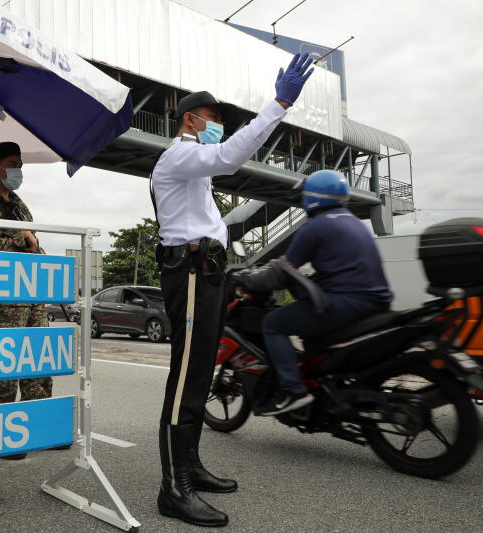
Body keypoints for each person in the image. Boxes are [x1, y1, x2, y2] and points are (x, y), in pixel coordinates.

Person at [151, 52, 315, 527]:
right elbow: (229, 155)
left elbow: (207, 215)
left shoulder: (193, 170)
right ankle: (172, 489)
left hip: (208, 275)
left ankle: (191, 467)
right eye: (215, 118)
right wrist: (279, 103)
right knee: (185, 378)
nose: (219, 126)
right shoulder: (180, 155)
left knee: (201, 374)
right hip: (189, 275)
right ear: (191, 119)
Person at [257, 170, 393, 416]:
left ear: (313, 197)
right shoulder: (355, 223)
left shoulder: (316, 227)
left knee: (273, 323)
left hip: (346, 303)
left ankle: (292, 390)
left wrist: (250, 277)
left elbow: (284, 269)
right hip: (377, 303)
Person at [0, 141, 62, 460]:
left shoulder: (20, 204)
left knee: (38, 361)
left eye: (20, 164)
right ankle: (1, 434)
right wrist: (22, 239)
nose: (19, 171)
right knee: (3, 363)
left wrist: (33, 246)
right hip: (0, 297)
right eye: (13, 163)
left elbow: (36, 242)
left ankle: (39, 428)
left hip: (31, 294)